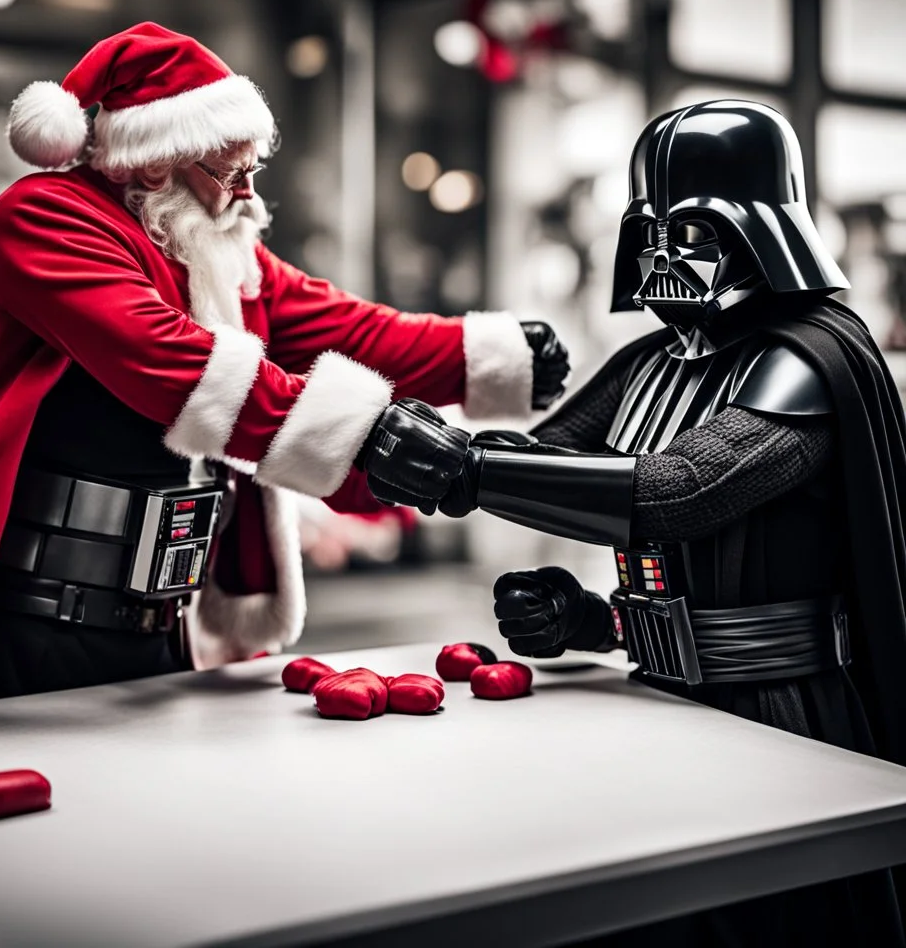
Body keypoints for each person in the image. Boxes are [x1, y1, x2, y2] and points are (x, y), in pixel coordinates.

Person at [0, 21, 570, 715]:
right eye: (229, 172)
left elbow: (344, 327)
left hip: (158, 621)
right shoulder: (41, 220)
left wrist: (489, 355)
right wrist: (365, 434)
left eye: (251, 171)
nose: (246, 194)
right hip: (24, 626)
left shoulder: (209, 248)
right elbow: (170, 364)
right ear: (157, 161)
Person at [366, 101, 905, 945]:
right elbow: (550, 457)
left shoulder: (805, 361)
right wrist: (599, 620)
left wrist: (470, 469)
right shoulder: (649, 362)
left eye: (692, 231)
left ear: (762, 231)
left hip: (781, 714)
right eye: (649, 230)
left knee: (772, 926)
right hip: (660, 697)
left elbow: (680, 493)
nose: (662, 255)